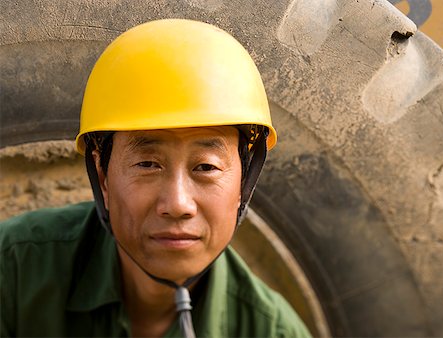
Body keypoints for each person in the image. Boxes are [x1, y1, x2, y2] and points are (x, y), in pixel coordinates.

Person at [0, 19, 311, 338]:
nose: (177, 204)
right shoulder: (13, 269)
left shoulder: (273, 332)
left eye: (206, 167)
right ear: (103, 177)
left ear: (244, 185)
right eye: (148, 164)